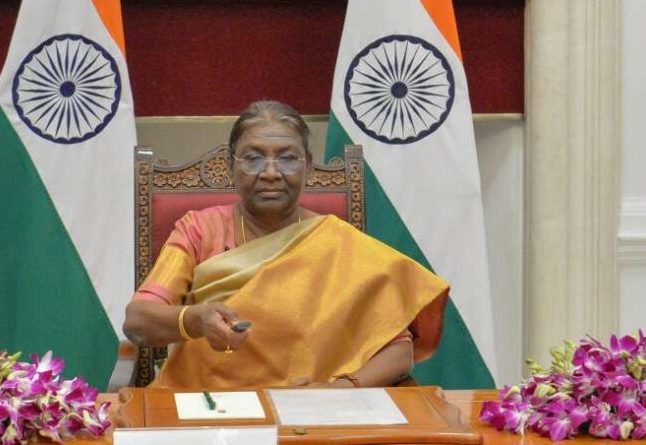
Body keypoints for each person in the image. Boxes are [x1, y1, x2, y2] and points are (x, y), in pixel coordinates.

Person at [123, 100, 448, 389]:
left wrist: (341, 390)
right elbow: (137, 323)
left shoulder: (338, 243)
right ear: (230, 166)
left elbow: (400, 351)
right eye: (253, 158)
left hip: (310, 411)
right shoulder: (199, 230)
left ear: (308, 166)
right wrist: (195, 320)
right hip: (210, 407)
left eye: (288, 159)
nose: (270, 173)